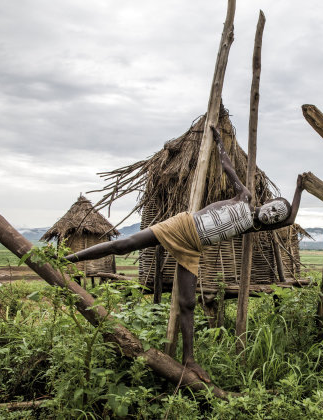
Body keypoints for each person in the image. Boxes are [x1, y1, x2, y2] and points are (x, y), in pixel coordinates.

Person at [66, 126, 304, 382]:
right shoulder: (243, 198)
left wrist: (299, 190)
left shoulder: (254, 226)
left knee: (188, 303)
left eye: (276, 215)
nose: (273, 214)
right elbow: (228, 167)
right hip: (183, 226)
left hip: (194, 248)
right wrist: (219, 144)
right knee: (124, 245)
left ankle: (189, 359)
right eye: (274, 207)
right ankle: (67, 260)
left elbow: (290, 219)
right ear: (267, 203)